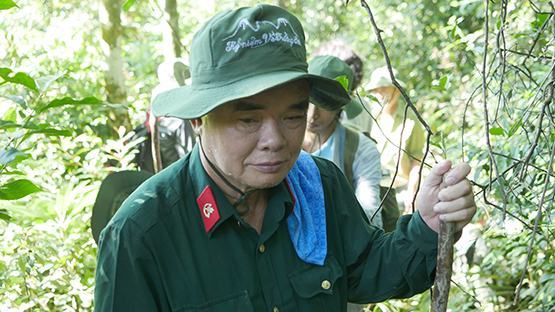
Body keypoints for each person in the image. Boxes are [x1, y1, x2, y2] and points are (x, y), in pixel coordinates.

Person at [94, 4, 477, 311]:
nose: (275, 140)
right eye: (248, 119)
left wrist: (428, 225)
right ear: (199, 118)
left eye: (293, 116)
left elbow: (367, 270)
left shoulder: (318, 186)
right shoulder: (142, 235)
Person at [303, 55, 382, 229]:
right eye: (307, 102)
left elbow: (370, 215)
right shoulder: (280, 142)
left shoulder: (360, 148)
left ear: (339, 107)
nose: (312, 114)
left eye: (323, 105)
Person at [367, 66, 426, 213]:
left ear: (397, 89)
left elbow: (417, 161)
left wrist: (412, 193)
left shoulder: (411, 120)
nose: (379, 94)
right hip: (372, 188)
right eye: (376, 90)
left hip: (400, 190)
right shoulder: (367, 117)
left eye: (384, 88)